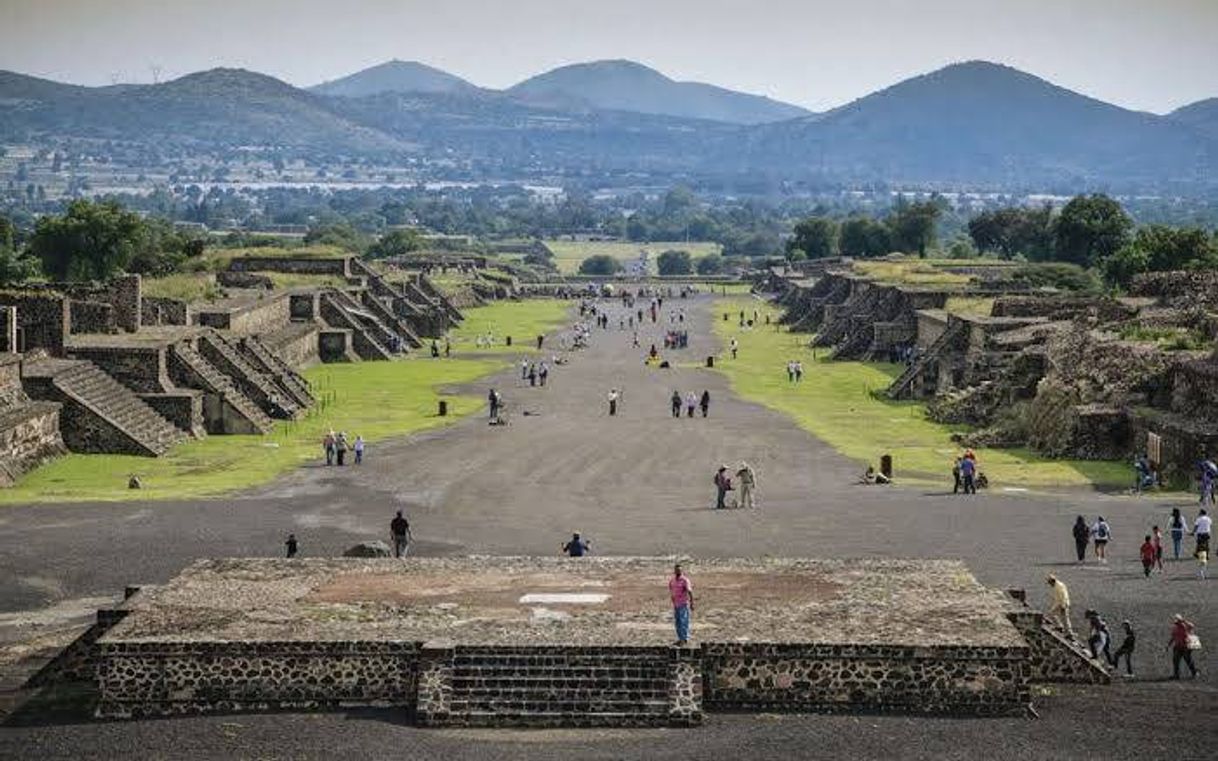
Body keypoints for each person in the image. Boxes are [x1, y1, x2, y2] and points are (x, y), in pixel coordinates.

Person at [669, 564, 694, 646]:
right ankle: (680, 638)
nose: (678, 572)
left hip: (683, 604)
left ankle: (684, 639)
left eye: (679, 570)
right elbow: (671, 589)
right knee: (678, 622)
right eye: (677, 570)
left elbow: (690, 592)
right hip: (676, 605)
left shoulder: (685, 580)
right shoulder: (672, 581)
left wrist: (691, 603)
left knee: (684, 622)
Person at [1168, 614, 1199, 679]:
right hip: (1178, 646)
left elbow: (1192, 626)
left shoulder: (1185, 626)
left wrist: (1184, 621)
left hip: (1186, 647)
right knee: (1176, 661)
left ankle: (1194, 673)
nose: (1177, 623)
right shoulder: (1175, 628)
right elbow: (1173, 637)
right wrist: (1169, 645)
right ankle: (1176, 675)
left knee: (1188, 660)